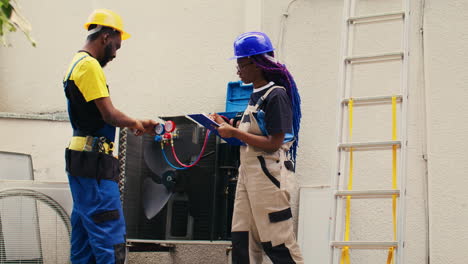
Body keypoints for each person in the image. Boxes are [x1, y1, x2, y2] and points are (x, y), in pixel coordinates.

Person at [62, 9, 157, 263]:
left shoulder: (75, 63)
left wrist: (134, 121)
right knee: (109, 237)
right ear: (105, 36)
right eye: (116, 45)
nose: (115, 54)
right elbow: (109, 114)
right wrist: (138, 123)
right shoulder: (89, 66)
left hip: (81, 163)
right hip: (95, 168)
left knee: (84, 243)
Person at [211, 32, 304, 263]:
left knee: (277, 241)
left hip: (269, 175)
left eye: (241, 64)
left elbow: (274, 143)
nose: (238, 70)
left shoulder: (276, 95)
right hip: (248, 175)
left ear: (257, 64)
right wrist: (225, 124)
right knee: (243, 239)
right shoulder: (255, 95)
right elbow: (253, 131)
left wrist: (234, 133)